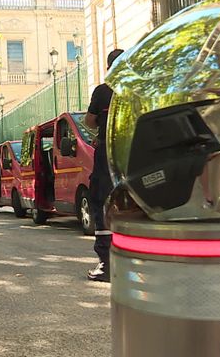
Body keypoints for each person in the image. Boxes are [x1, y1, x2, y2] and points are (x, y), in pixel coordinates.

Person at [84, 48, 124, 283]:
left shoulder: (103, 91)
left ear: (109, 67)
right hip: (135, 152)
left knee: (101, 200)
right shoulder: (136, 89)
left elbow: (89, 121)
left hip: (108, 152)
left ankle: (106, 264)